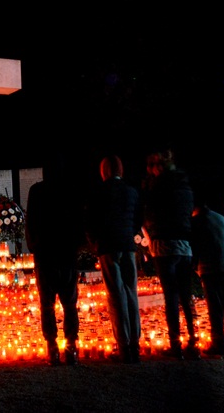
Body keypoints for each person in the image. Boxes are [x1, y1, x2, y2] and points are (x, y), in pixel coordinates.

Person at [25, 156, 84, 366]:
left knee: (47, 304)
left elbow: (30, 221)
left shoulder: (37, 191)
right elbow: (78, 221)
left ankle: (52, 348)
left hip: (46, 254)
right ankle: (71, 348)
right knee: (69, 304)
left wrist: (34, 246)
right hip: (66, 254)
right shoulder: (70, 189)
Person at [141, 148, 198, 359]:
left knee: (171, 296)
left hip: (163, 245)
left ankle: (175, 343)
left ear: (158, 167)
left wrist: (151, 232)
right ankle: (193, 340)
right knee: (185, 294)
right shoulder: (184, 187)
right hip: (184, 244)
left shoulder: (157, 187)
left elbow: (150, 213)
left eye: (151, 167)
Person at [85, 154, 142, 364]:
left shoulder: (99, 192)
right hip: (128, 245)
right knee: (131, 294)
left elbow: (91, 220)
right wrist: (129, 233)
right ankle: (135, 344)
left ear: (104, 172)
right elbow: (138, 219)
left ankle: (124, 345)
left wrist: (95, 243)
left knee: (116, 296)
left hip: (108, 247)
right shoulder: (131, 192)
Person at [191, 193, 224, 358]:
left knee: (216, 308)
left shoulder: (197, 221)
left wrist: (194, 267)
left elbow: (196, 245)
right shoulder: (221, 218)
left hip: (210, 268)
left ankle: (219, 344)